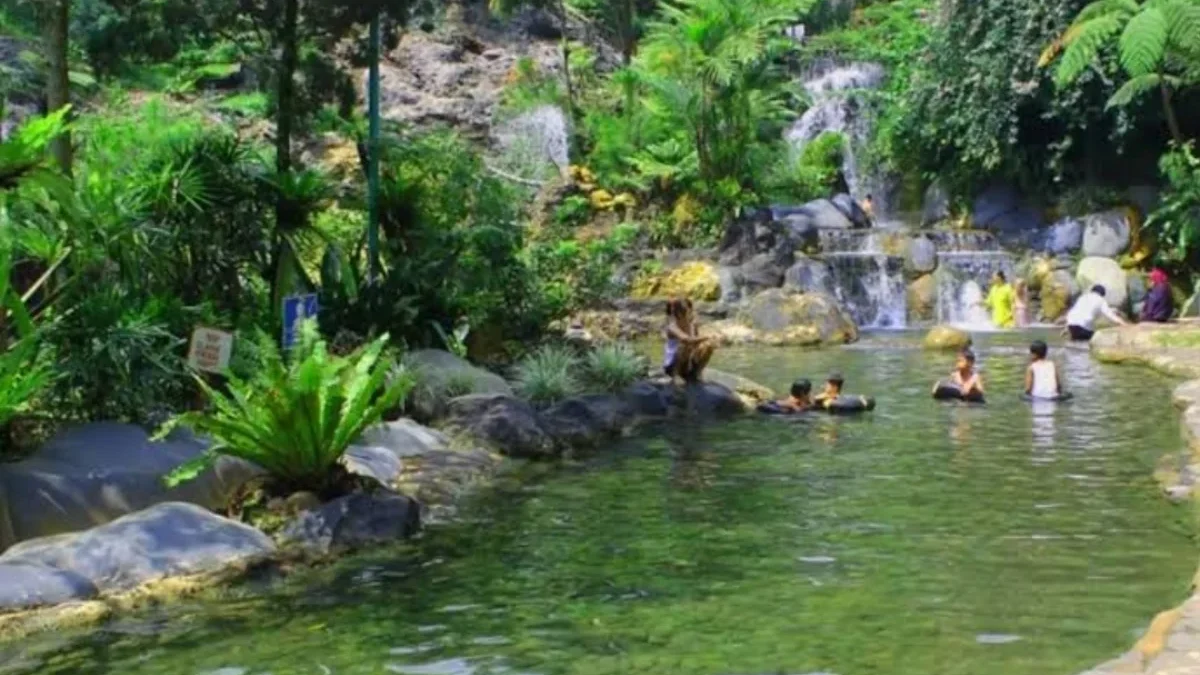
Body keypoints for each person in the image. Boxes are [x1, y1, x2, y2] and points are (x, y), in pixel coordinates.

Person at [662, 298, 715, 383]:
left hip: (688, 363)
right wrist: (706, 336)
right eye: (689, 311)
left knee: (707, 345)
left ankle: (697, 372)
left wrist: (712, 341)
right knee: (684, 345)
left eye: (691, 310)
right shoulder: (672, 327)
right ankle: (676, 375)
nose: (692, 313)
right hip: (673, 365)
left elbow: (697, 342)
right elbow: (686, 339)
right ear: (679, 314)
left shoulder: (692, 326)